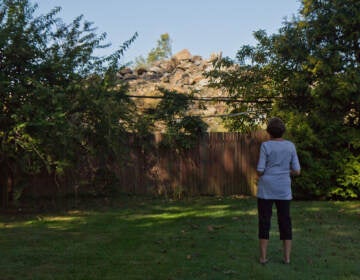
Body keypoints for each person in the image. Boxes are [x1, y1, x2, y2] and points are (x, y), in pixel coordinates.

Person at [256, 117, 300, 265]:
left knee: (264, 221)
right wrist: (284, 170)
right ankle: (287, 258)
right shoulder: (290, 146)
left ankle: (263, 258)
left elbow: (260, 170)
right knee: (285, 221)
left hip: (266, 189)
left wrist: (264, 172)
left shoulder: (265, 146)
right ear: (283, 131)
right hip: (283, 189)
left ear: (269, 132)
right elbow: (297, 170)